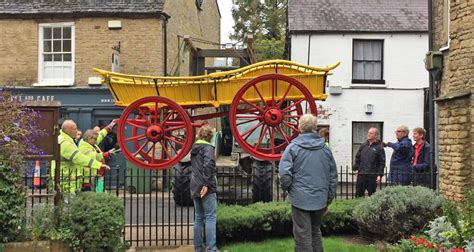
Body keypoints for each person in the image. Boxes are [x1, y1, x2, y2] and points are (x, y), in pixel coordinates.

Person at [279, 114, 337, 252]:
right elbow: (333, 177)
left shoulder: (292, 148)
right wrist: (327, 200)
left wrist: (287, 189)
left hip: (300, 199)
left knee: (302, 235)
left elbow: (284, 174)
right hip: (320, 199)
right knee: (315, 232)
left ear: (299, 128)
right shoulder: (325, 149)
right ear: (315, 128)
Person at [57, 120, 109, 194]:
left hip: (73, 178)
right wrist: (99, 164)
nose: (77, 131)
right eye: (75, 129)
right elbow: (79, 158)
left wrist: (109, 127)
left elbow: (99, 136)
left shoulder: (67, 139)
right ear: (68, 131)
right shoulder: (66, 143)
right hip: (68, 179)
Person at [190, 125, 217, 252]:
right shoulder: (208, 148)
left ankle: (198, 248)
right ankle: (211, 248)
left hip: (194, 185)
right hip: (206, 187)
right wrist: (206, 184)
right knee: (210, 217)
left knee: (199, 217)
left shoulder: (194, 149)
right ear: (210, 136)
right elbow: (208, 165)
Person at [353, 128, 385, 197]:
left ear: (376, 135)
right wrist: (357, 168)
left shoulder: (379, 148)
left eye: (371, 133)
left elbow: (382, 162)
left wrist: (379, 175)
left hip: (372, 175)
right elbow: (357, 157)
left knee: (372, 196)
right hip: (361, 174)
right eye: (368, 132)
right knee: (358, 195)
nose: (368, 134)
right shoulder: (363, 145)